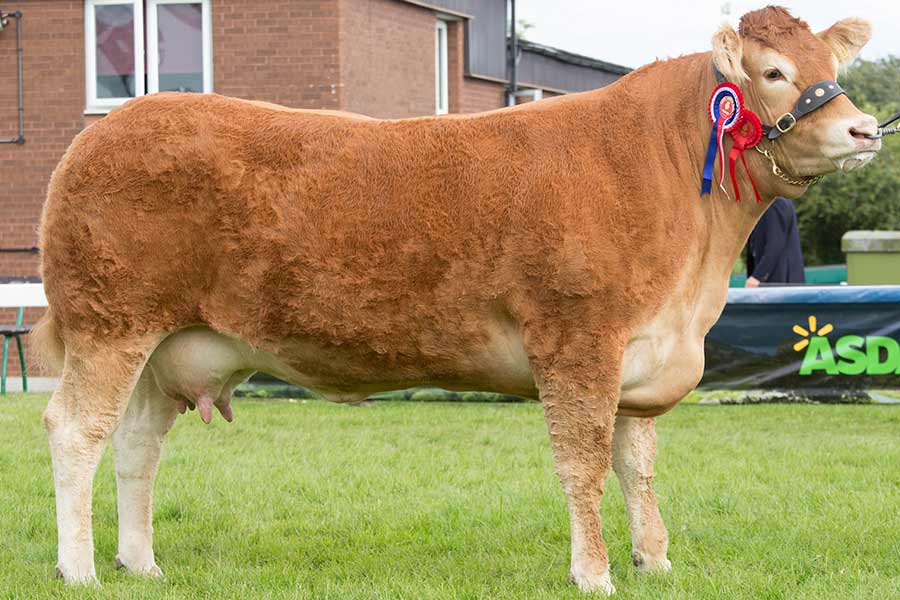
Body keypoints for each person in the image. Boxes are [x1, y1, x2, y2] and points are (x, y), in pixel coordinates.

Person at [746, 197, 806, 287]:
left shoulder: (776, 203)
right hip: (771, 284)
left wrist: (757, 276)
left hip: (782, 284)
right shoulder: (763, 204)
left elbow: (775, 245)